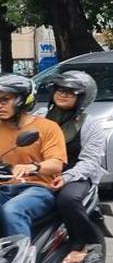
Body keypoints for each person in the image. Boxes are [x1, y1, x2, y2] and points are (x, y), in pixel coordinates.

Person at [43, 71, 105, 263]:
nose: (63, 94)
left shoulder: (90, 125)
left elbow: (90, 161)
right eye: (60, 90)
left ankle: (82, 243)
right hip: (40, 172)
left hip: (77, 175)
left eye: (70, 92)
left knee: (68, 199)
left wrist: (67, 177)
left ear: (82, 98)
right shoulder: (40, 117)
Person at [0, 74, 66, 239]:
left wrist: (32, 167)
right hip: (4, 187)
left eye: (5, 100)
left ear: (22, 101)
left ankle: (21, 254)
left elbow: (56, 164)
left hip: (38, 188)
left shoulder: (47, 127)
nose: (0, 105)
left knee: (12, 210)